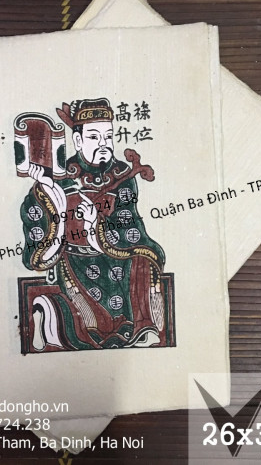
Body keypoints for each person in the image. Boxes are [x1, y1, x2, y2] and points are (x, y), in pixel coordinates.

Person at [20, 98, 169, 351]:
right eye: (94, 137)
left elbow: (129, 225)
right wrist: (55, 203)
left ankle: (142, 328)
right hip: (76, 260)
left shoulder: (123, 175)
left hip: (117, 255)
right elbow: (36, 219)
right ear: (78, 141)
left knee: (143, 259)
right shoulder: (59, 176)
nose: (103, 144)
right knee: (94, 321)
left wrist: (95, 225)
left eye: (108, 137)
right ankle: (91, 332)